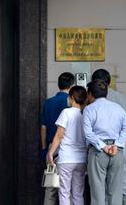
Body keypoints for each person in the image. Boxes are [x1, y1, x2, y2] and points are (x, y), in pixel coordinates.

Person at [91, 69, 126, 205]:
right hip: (121, 146)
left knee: (101, 185)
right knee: (122, 184)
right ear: (109, 81)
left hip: (101, 148)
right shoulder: (121, 97)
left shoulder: (94, 98)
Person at [82, 80, 126, 205]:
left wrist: (103, 147)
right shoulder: (118, 108)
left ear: (90, 94)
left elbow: (88, 133)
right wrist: (117, 145)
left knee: (97, 192)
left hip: (98, 152)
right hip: (117, 151)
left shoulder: (89, 109)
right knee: (116, 191)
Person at [47, 85, 88, 205]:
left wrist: (50, 153)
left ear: (71, 98)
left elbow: (59, 135)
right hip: (81, 159)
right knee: (78, 194)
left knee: (64, 193)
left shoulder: (66, 112)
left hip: (66, 159)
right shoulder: (86, 114)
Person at [41, 72, 75, 205]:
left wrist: (45, 148)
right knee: (69, 187)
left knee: (51, 186)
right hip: (68, 148)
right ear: (72, 86)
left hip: (51, 148)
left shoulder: (48, 102)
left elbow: (43, 127)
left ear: (58, 84)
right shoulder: (71, 103)